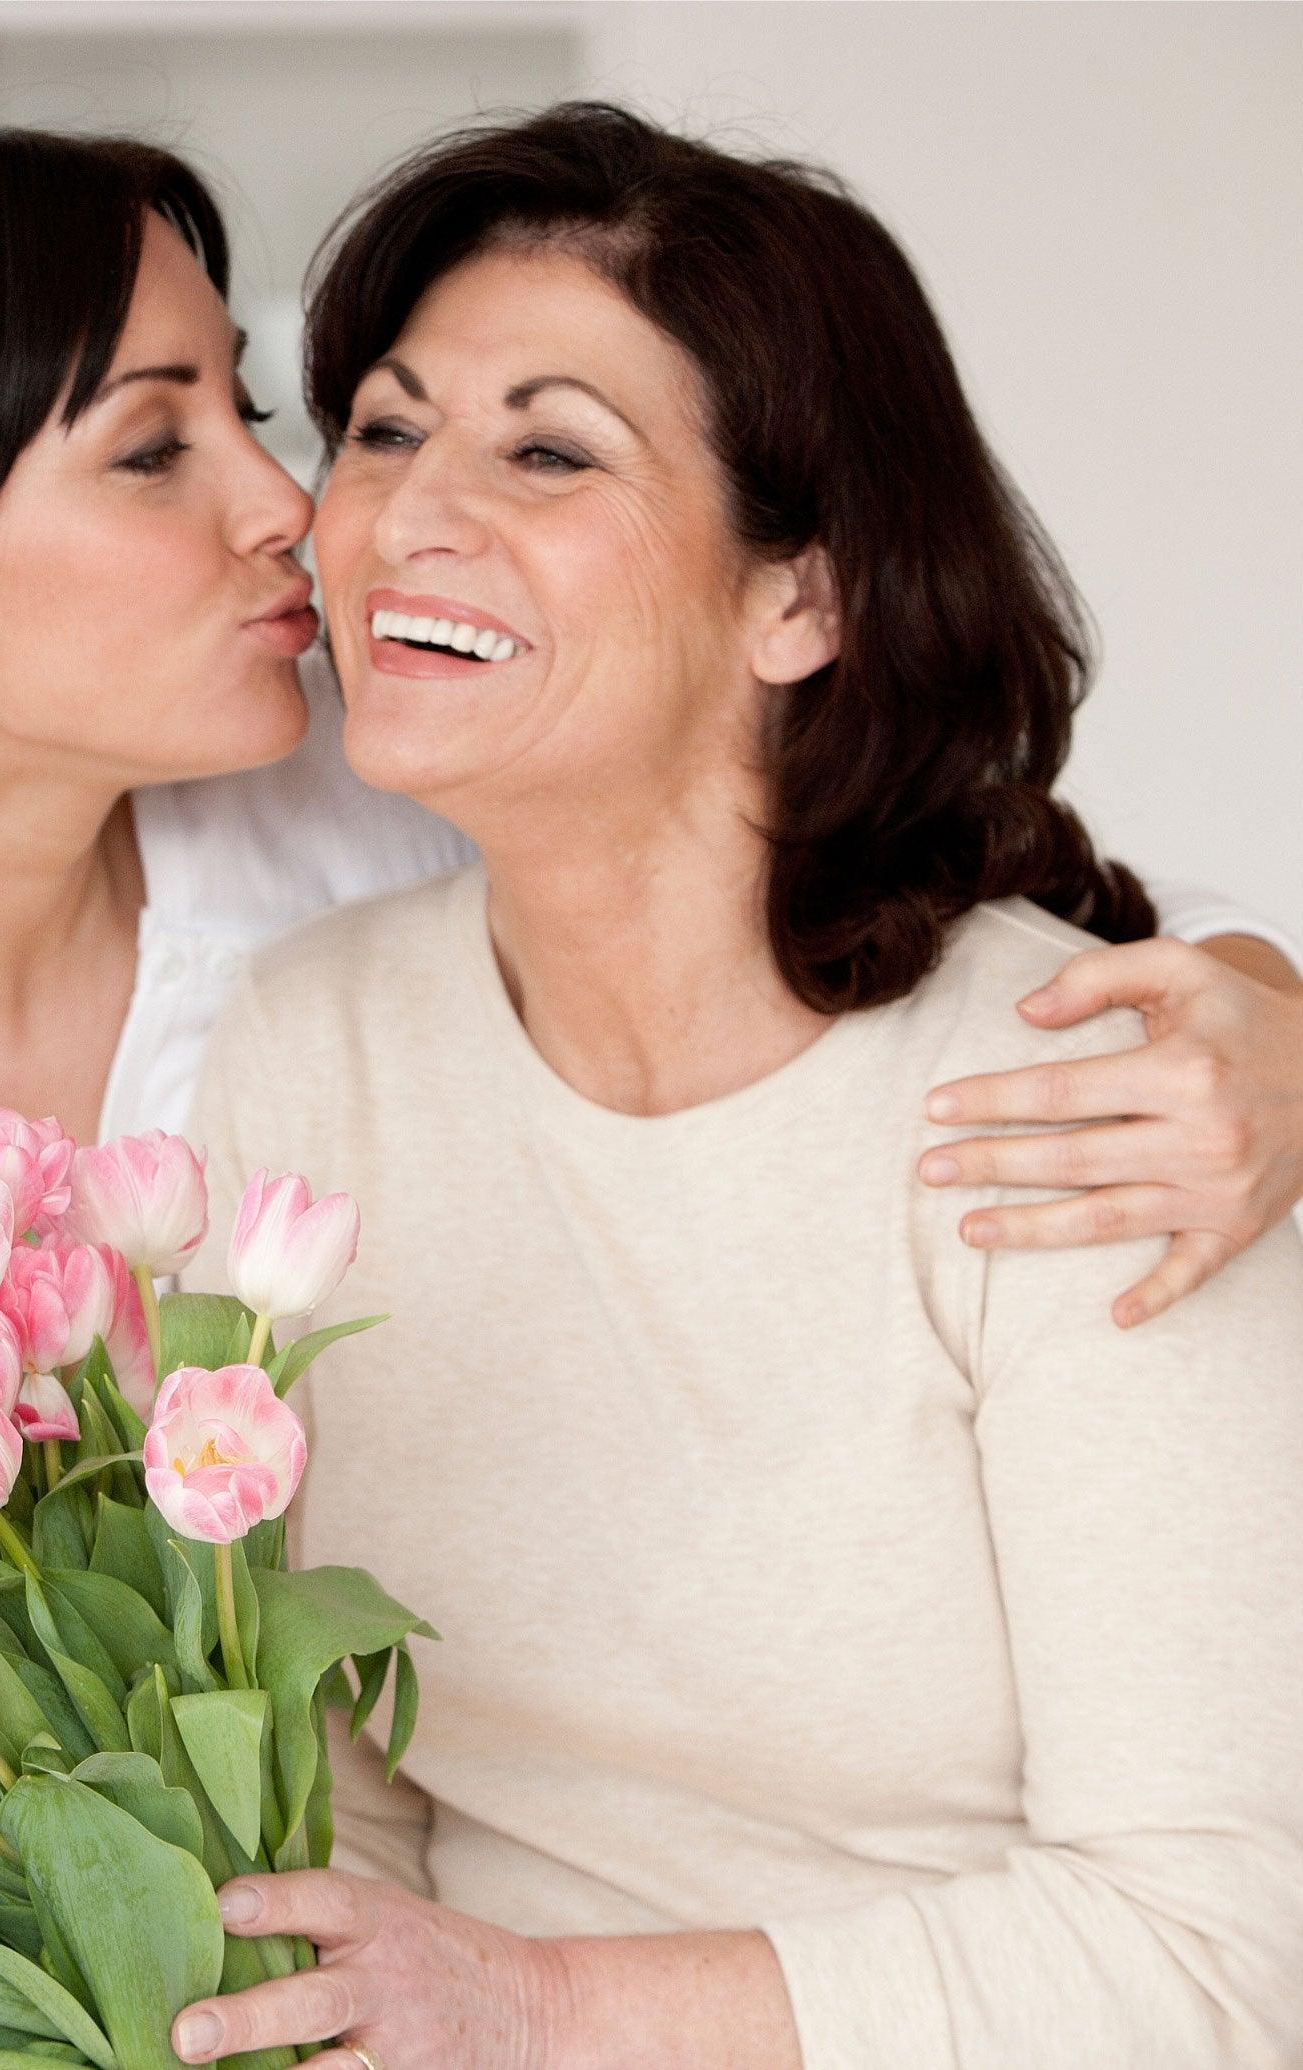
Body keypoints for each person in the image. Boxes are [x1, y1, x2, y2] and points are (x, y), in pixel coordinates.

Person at [0, 111, 1299, 2068]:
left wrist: (1262, 1015)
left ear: (802, 585)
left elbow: (925, 888)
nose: (309, 509)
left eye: (263, 414)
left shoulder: (339, 821)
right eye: (354, 431)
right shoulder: (282, 1004)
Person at [176, 103, 1303, 2070]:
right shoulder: (313, 1043)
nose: (405, 515)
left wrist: (535, 2013)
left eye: (547, 447)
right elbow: (332, 1816)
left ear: (802, 598)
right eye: (383, 426)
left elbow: (1216, 1957)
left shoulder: (1089, 1102)